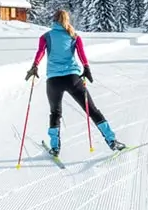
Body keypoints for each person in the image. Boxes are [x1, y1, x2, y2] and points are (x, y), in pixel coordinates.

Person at [25, 9, 125, 155]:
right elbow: (81, 54)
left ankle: (55, 147)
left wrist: (34, 66)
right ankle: (112, 140)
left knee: (55, 113)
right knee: (92, 110)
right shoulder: (74, 36)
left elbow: (40, 52)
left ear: (53, 20)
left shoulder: (46, 36)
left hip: (53, 81)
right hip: (73, 78)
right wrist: (86, 68)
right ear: (67, 20)